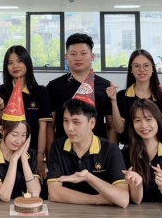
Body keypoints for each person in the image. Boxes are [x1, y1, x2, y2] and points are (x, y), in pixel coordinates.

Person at [47, 74, 129, 208]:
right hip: (65, 215)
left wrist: (89, 178)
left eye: (76, 122)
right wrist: (97, 199)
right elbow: (54, 193)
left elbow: (123, 199)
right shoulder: (58, 146)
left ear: (92, 123)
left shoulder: (110, 149)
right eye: (66, 121)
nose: (69, 128)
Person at [47, 33, 116, 157]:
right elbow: (50, 126)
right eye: (73, 54)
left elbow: (111, 127)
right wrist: (50, 155)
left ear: (92, 56)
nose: (78, 58)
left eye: (83, 53)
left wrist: (111, 156)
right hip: (64, 154)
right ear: (66, 56)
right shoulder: (54, 86)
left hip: (98, 154)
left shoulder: (105, 86)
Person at [0, 46, 52, 181]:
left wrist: (40, 157)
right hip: (4, 153)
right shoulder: (0, 91)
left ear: (27, 63)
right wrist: (0, 106)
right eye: (10, 63)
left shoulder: (40, 92)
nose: (15, 66)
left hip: (31, 151)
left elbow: (43, 128)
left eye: (19, 61)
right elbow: (0, 123)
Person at [0, 79, 42, 202]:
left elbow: (35, 193)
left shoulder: (30, 154)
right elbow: (5, 196)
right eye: (14, 134)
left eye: (24, 135)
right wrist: (14, 159)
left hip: (24, 210)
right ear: (2, 130)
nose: (19, 141)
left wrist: (23, 159)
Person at [121, 99, 162, 205]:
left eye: (149, 119)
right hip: (135, 213)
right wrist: (137, 184)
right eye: (137, 120)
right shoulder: (125, 154)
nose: (144, 125)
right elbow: (136, 200)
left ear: (158, 120)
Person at [108, 49, 162, 145]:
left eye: (146, 66)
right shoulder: (121, 96)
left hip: (156, 149)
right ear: (131, 69)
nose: (142, 69)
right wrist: (113, 101)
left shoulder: (161, 95)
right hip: (130, 149)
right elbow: (119, 129)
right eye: (137, 66)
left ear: (153, 68)